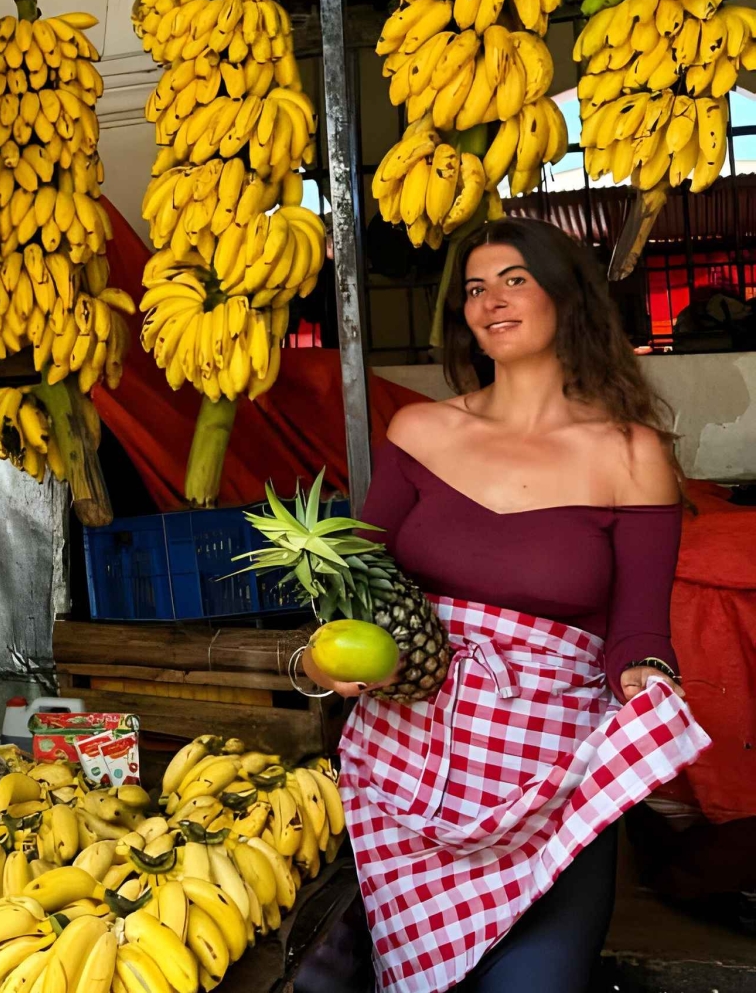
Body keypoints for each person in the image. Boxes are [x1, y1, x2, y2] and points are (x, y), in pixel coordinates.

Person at [301, 218, 712, 992]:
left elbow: (637, 630)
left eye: (514, 279)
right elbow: (354, 585)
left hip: (549, 776)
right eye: (475, 288)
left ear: (567, 297)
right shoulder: (420, 430)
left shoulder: (630, 454)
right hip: (406, 768)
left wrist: (648, 678)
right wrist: (327, 652)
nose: (491, 299)